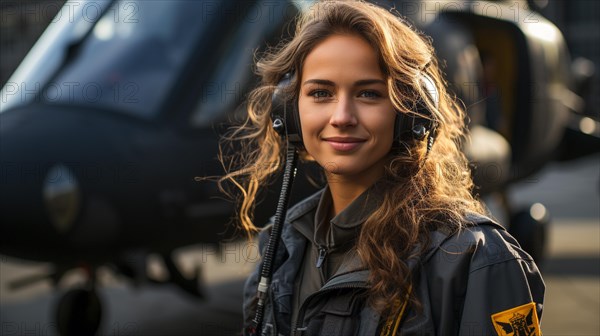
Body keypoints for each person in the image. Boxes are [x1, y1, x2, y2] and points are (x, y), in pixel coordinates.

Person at [218, 1, 545, 335]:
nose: (342, 117)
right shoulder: (281, 246)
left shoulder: (475, 259)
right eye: (320, 93)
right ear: (288, 113)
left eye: (369, 94)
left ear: (412, 114)